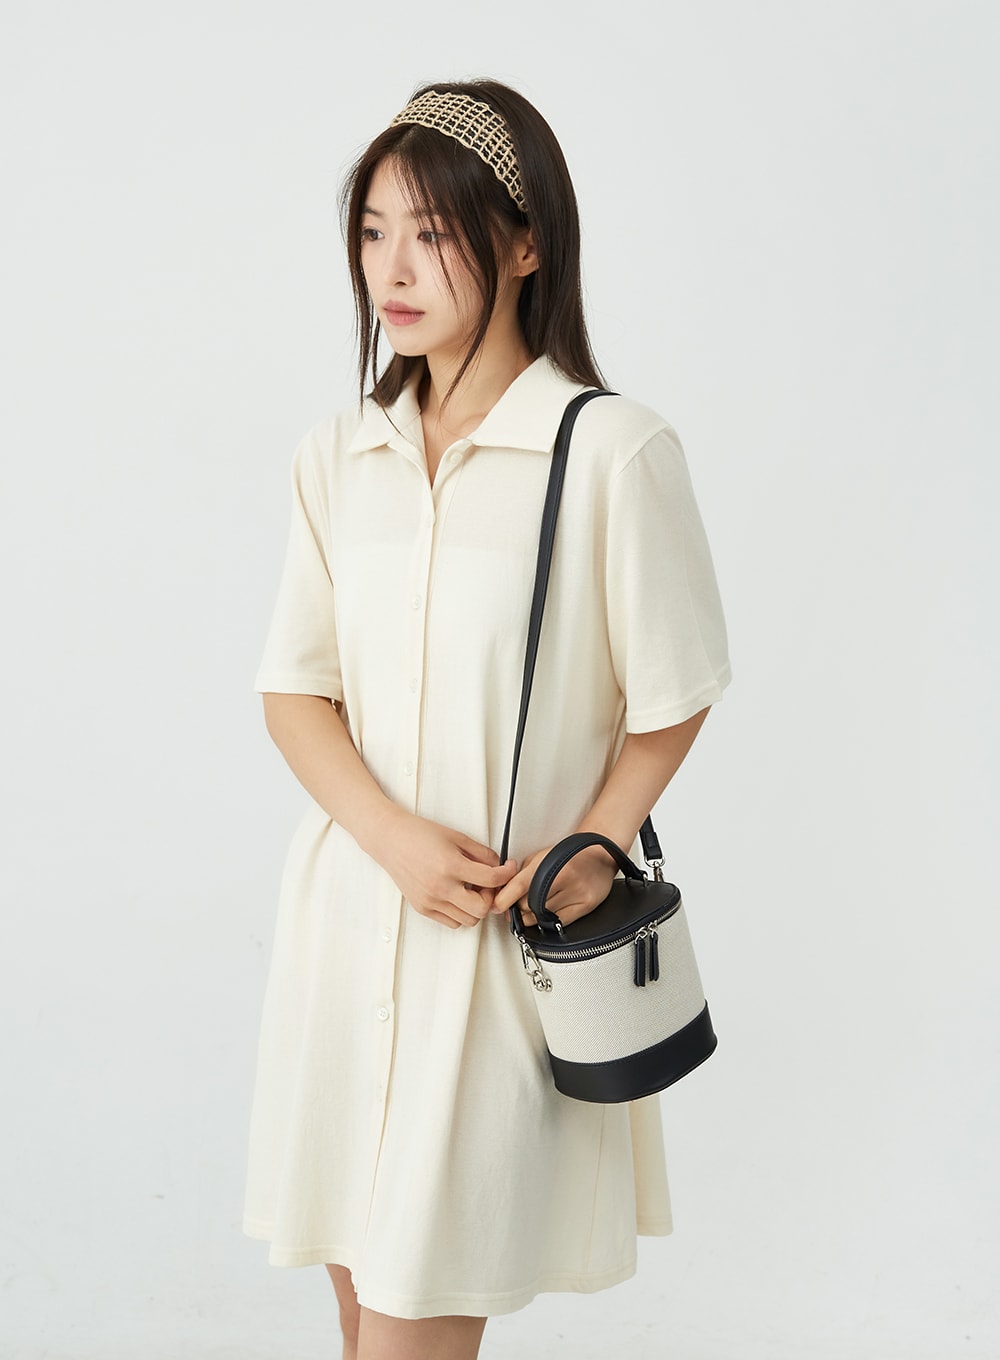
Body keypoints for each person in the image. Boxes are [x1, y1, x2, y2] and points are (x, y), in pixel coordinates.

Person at [243, 78, 731, 1360]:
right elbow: (294, 689)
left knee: (410, 1326)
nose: (392, 269)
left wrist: (596, 841)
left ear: (524, 246)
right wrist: (392, 840)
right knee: (361, 1317)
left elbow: (675, 691)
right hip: (349, 929)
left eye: (432, 231)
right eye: (372, 232)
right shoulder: (340, 453)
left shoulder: (611, 451)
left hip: (492, 955)